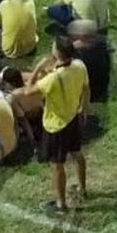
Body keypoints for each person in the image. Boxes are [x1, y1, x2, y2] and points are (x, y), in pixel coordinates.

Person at [27, 34, 90, 213]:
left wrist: (39, 67)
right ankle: (82, 188)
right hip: (74, 118)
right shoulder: (79, 66)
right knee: (77, 153)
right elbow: (86, 88)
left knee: (57, 164)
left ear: (58, 52)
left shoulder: (53, 79)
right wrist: (83, 110)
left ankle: (61, 204)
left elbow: (28, 90)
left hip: (56, 125)